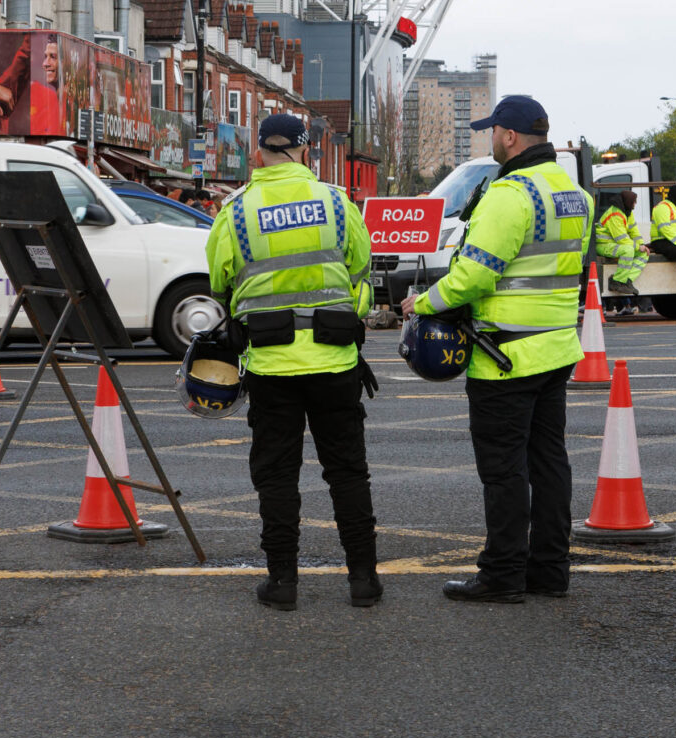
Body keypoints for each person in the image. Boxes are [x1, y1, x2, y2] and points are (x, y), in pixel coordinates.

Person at [400, 95, 592, 603]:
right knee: (550, 464)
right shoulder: (573, 193)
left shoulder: (510, 194)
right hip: (555, 349)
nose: (491, 140)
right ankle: (550, 572)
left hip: (505, 356)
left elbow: (474, 275)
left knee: (504, 471)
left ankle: (503, 574)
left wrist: (423, 303)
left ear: (508, 136)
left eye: (493, 133)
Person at [204, 113, 378, 611]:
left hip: (270, 364)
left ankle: (282, 583)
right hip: (334, 358)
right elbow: (362, 274)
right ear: (306, 151)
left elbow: (220, 282)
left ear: (258, 152)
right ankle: (363, 580)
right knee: (347, 471)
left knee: (277, 474)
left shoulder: (235, 211)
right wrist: (349, 314)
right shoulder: (336, 202)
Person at [594, 189, 645, 294]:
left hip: (614, 245)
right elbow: (622, 239)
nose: (635, 204)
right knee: (628, 250)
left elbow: (634, 232)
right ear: (628, 202)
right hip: (603, 245)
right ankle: (616, 281)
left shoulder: (627, 213)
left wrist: (642, 245)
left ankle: (627, 281)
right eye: (634, 201)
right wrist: (638, 247)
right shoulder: (615, 214)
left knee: (644, 253)